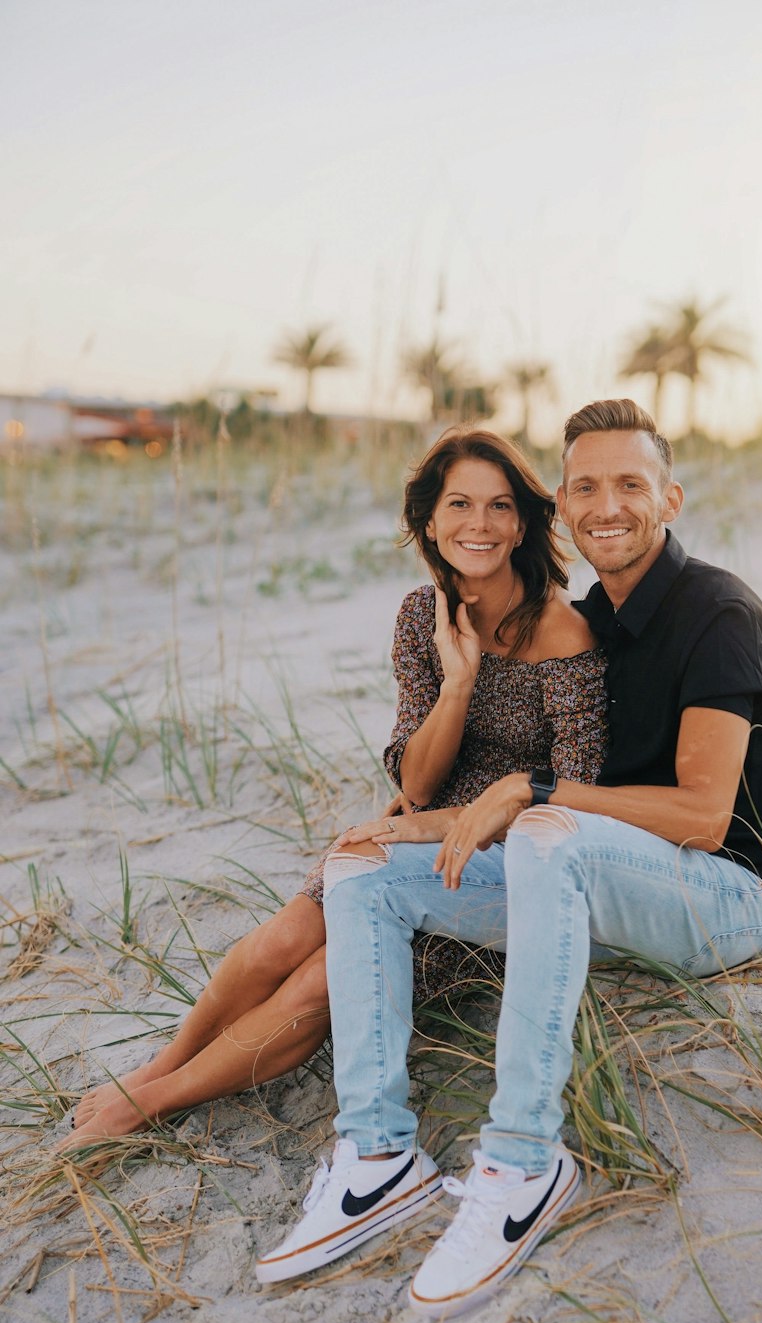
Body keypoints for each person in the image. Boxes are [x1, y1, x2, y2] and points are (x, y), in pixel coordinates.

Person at [256, 398, 762, 1317]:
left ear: (669, 497)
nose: (608, 504)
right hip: (607, 878)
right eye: (586, 485)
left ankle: (521, 1163)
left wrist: (529, 791)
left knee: (546, 832)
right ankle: (378, 1154)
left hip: (727, 898)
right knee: (361, 870)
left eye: (631, 484)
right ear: (560, 503)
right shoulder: (591, 618)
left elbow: (705, 818)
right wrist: (428, 817)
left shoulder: (716, 613)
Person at [61, 430, 607, 1151]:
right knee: (275, 944)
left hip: (498, 855)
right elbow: (413, 779)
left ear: (522, 523)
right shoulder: (423, 614)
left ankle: (152, 1103)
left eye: (500, 506)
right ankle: (158, 1065)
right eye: (461, 504)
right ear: (430, 522)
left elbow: (573, 797)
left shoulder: (564, 630)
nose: (480, 524)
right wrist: (460, 681)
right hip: (414, 825)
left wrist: (435, 823)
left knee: (319, 984)